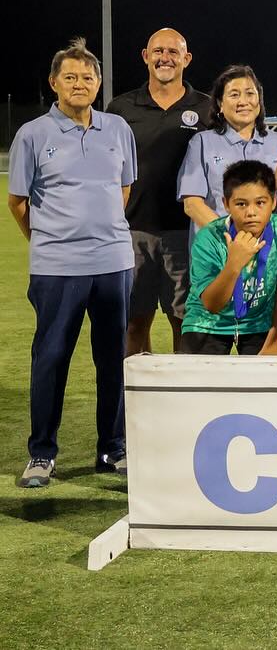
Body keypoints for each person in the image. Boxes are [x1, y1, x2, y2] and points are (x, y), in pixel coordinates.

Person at [9, 42, 136, 487]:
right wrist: (51, 241)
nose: (80, 84)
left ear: (98, 83)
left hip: (113, 262)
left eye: (88, 77)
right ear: (53, 83)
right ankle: (42, 454)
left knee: (111, 359)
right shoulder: (32, 133)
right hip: (57, 267)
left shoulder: (118, 128)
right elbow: (18, 202)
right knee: (51, 358)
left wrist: (102, 234)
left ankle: (113, 448)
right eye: (71, 77)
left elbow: (123, 191)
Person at [106, 27, 213, 355]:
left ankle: (181, 397)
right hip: (132, 231)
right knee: (135, 319)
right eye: (158, 51)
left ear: (186, 59)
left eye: (173, 51)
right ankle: (136, 395)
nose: (165, 57)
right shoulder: (121, 108)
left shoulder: (208, 108)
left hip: (186, 234)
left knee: (183, 320)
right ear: (145, 56)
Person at [181, 160, 277, 355]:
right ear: (226, 204)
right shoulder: (209, 238)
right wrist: (234, 264)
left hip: (257, 324)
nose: (251, 212)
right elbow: (212, 305)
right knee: (200, 382)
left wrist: (274, 342)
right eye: (241, 204)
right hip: (207, 323)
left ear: (273, 202)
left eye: (260, 203)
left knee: (268, 382)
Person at [177, 65, 277, 240]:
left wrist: (276, 237)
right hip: (218, 249)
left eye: (250, 93)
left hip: (269, 250)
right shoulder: (202, 143)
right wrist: (231, 237)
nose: (243, 101)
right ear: (220, 104)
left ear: (259, 100)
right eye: (234, 94)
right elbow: (192, 204)